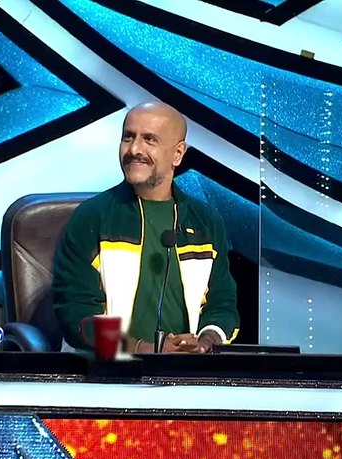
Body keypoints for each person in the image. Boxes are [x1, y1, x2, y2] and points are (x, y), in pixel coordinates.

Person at [52, 101, 239, 354]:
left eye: (149, 139)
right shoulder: (91, 217)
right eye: (128, 137)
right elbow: (76, 315)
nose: (134, 149)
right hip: (107, 369)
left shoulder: (205, 221)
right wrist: (144, 349)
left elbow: (222, 305)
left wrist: (205, 343)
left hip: (188, 370)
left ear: (178, 153)